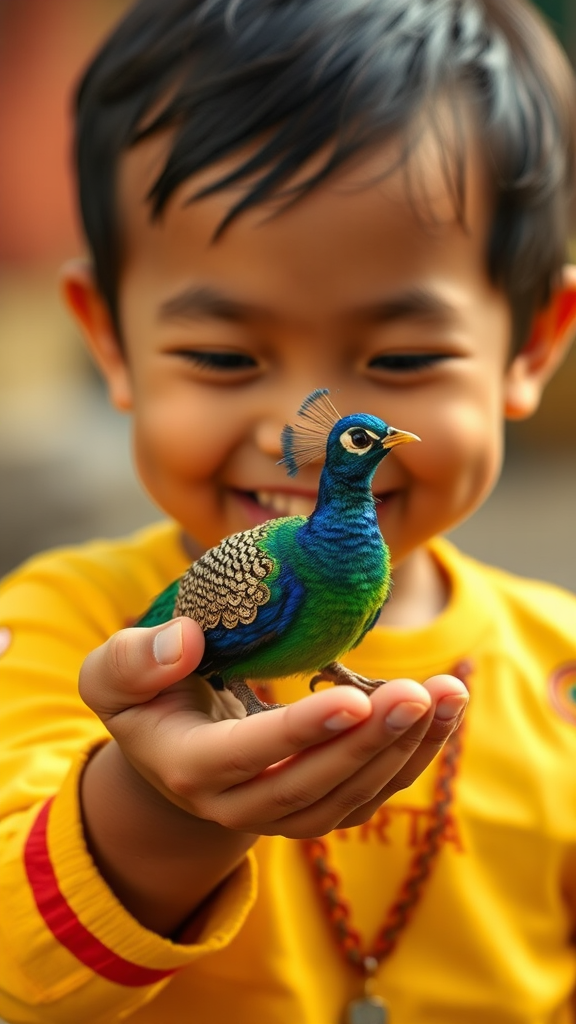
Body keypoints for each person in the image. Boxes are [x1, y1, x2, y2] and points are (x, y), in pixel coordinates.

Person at [1, 0, 576, 1020]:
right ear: (111, 345)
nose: (287, 438)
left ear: (532, 346)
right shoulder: (53, 626)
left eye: (402, 358)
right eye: (224, 356)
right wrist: (157, 809)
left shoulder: (561, 675)